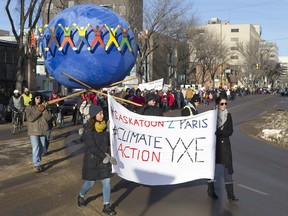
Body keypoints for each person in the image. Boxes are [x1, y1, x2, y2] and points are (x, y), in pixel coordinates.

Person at [76, 105, 117, 215]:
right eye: (100, 114)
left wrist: (112, 132)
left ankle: (106, 206)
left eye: (103, 113)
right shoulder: (88, 130)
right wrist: (106, 157)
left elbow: (108, 143)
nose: (102, 115)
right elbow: (92, 148)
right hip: (92, 160)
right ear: (94, 115)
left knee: (107, 181)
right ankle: (80, 196)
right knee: (90, 183)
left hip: (104, 160)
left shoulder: (104, 127)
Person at [207, 96, 239, 202]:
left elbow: (230, 131)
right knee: (212, 169)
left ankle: (231, 195)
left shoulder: (228, 115)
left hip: (225, 146)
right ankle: (211, 190)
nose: (224, 106)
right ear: (217, 104)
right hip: (214, 146)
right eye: (222, 104)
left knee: (228, 169)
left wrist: (220, 132)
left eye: (225, 104)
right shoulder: (211, 115)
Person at [25, 92, 52, 173]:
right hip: (33, 131)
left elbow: (48, 118)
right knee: (36, 147)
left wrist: (44, 109)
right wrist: (39, 110)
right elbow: (31, 118)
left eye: (40, 97)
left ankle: (38, 162)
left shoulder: (44, 107)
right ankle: (36, 164)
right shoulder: (29, 108)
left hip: (43, 130)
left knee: (42, 147)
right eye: (37, 97)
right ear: (34, 98)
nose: (38, 98)